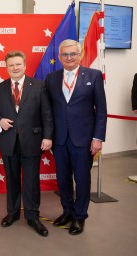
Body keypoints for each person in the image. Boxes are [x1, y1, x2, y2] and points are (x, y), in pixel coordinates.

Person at [45, 39, 107, 235]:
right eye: (65, 54)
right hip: (60, 139)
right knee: (63, 180)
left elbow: (102, 110)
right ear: (60, 57)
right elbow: (48, 111)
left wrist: (98, 138)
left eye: (73, 54)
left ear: (80, 55)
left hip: (84, 139)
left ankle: (80, 217)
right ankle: (67, 212)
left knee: (82, 180)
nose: (69, 57)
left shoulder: (94, 76)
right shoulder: (52, 78)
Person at [0, 51, 53, 237]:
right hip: (9, 141)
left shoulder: (39, 86)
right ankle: (13, 213)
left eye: (18, 64)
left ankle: (33, 216)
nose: (15, 68)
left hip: (32, 141)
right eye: (11, 65)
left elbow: (47, 114)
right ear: (6, 67)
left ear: (24, 65)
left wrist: (47, 137)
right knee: (12, 178)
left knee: (32, 181)